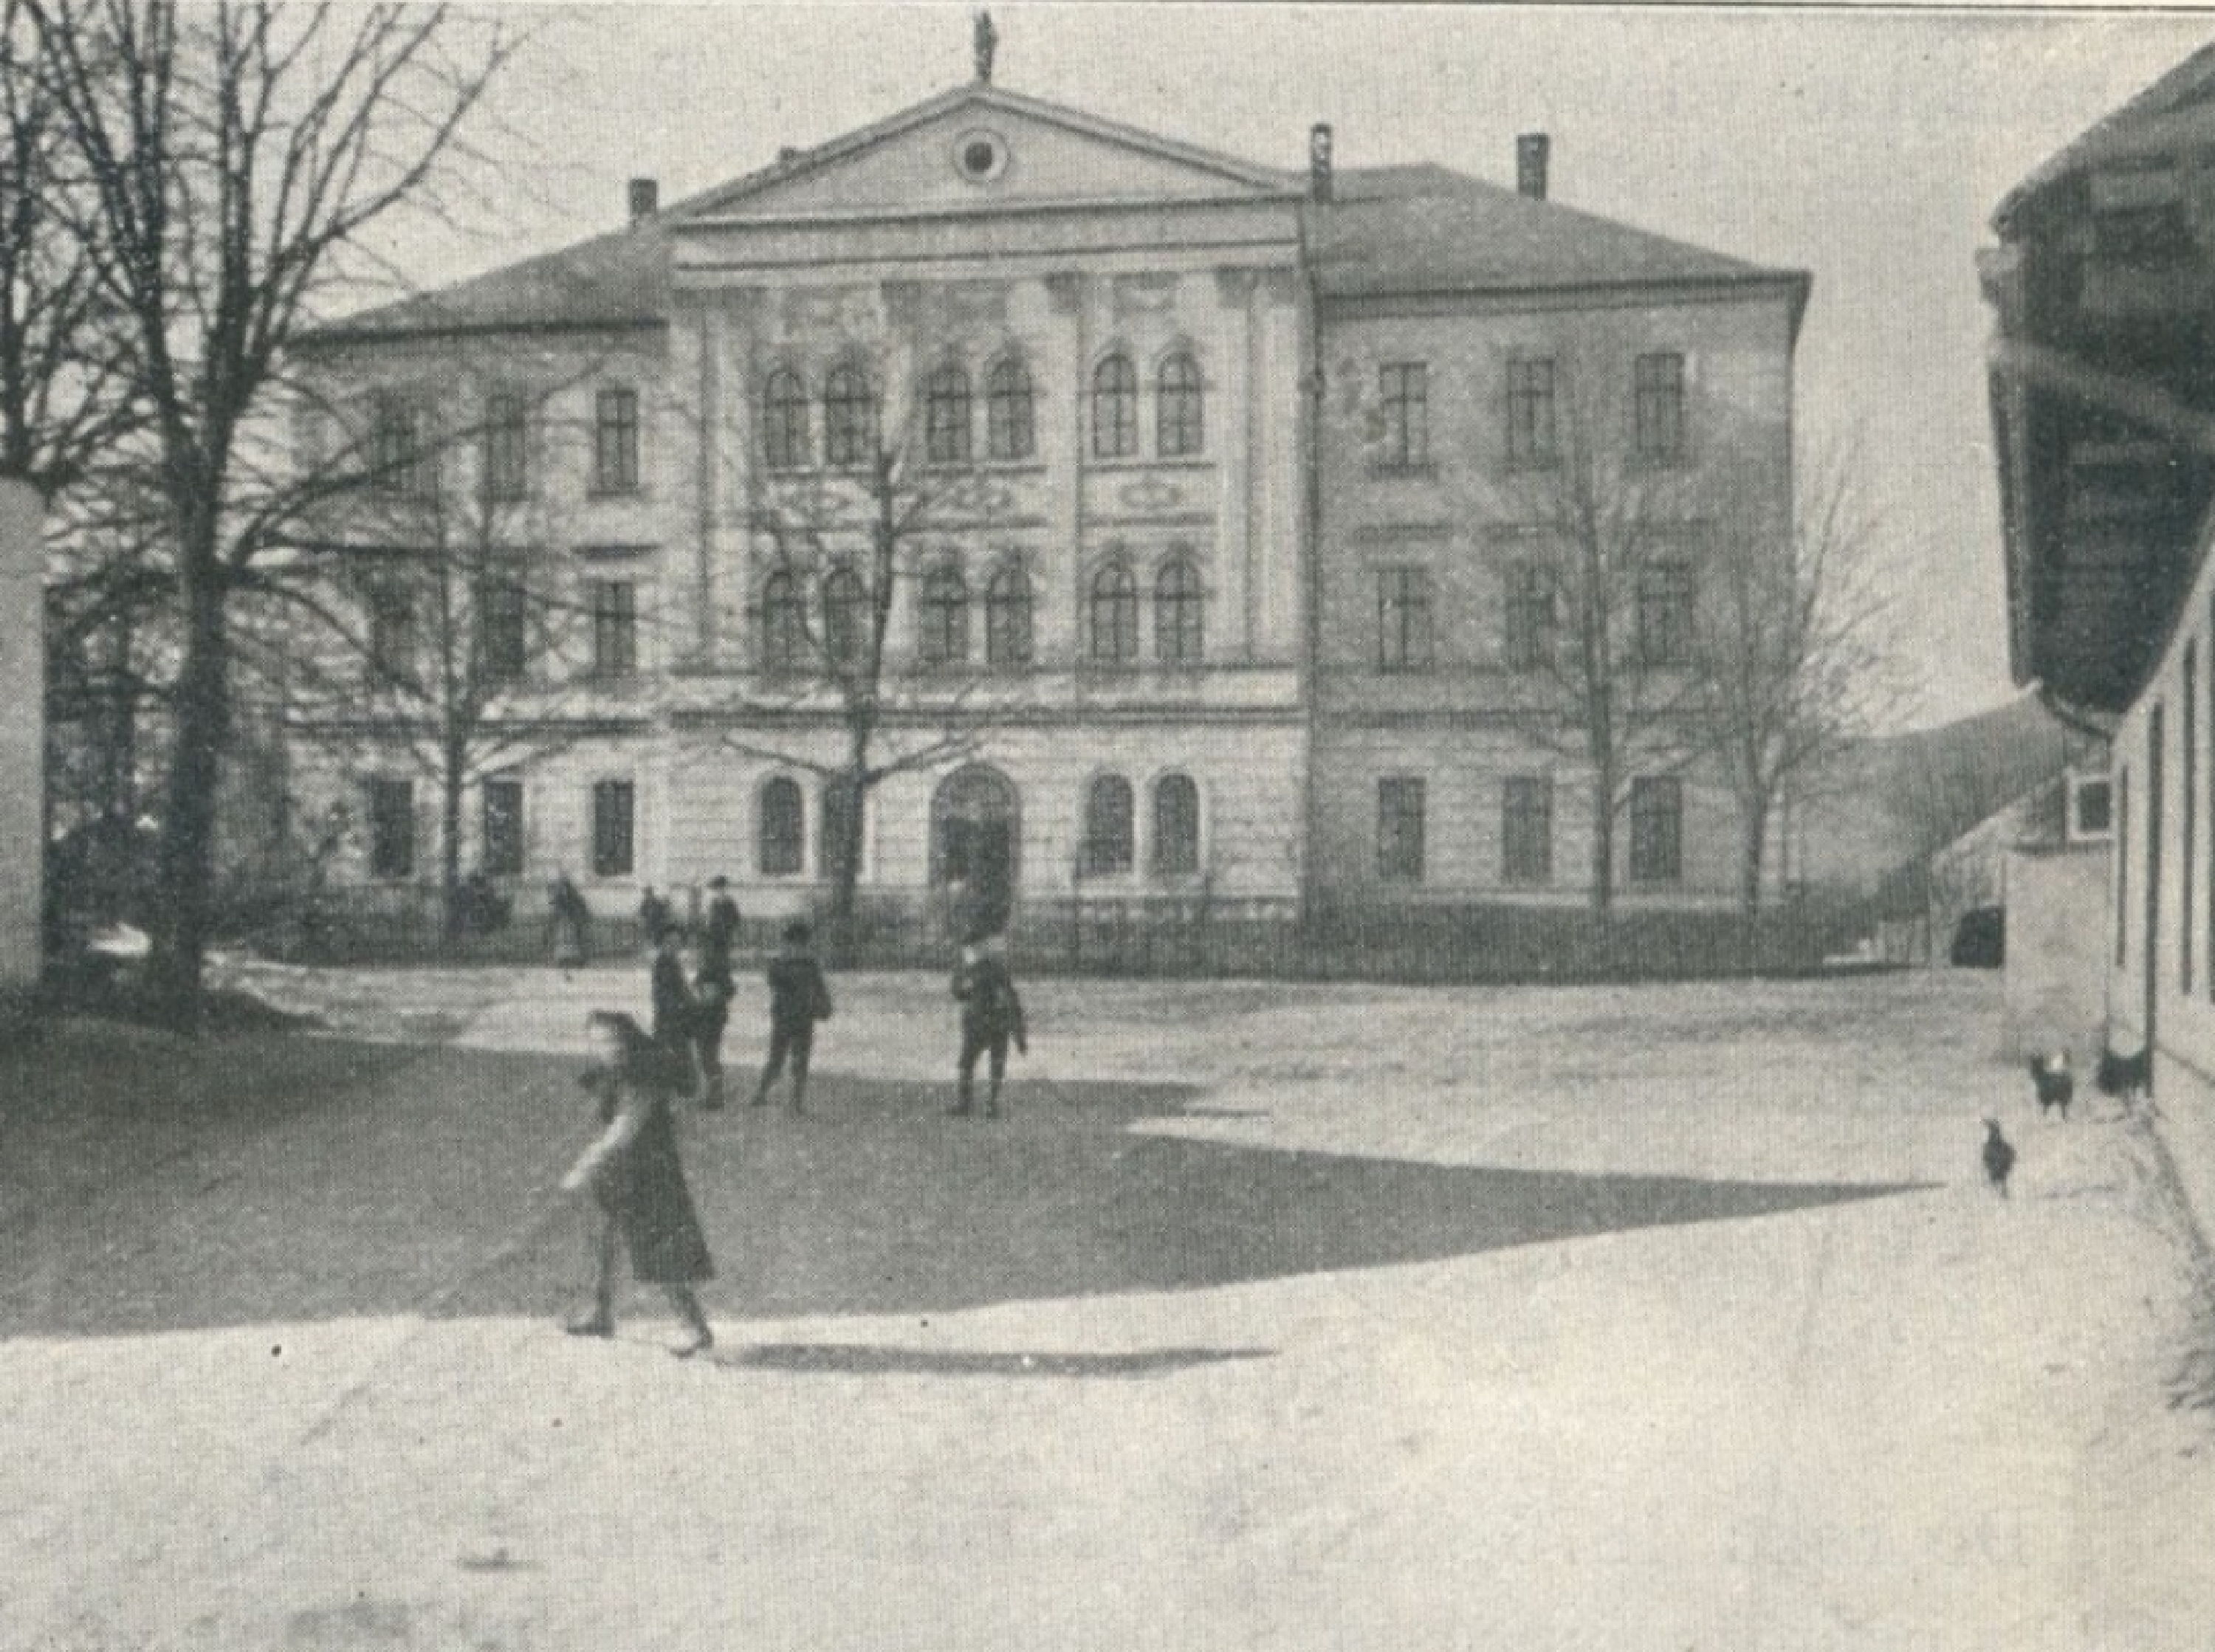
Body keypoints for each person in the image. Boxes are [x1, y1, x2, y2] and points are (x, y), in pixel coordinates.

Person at [560, 1011, 715, 1357]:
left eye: (613, 1040)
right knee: (602, 1240)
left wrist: (585, 1165)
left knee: (657, 1245)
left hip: (648, 1172)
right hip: (618, 1170)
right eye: (599, 1042)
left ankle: (695, 1327)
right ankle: (600, 1313)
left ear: (629, 1039)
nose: (607, 1048)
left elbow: (625, 1128)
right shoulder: (616, 1072)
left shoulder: (643, 1075)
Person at [752, 919, 832, 1113]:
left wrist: (824, 1005)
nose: (797, 947)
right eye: (795, 942)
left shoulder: (797, 963)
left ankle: (784, 1099)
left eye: (799, 943)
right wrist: (823, 1004)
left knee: (787, 1060)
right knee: (786, 1060)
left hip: (795, 1017)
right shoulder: (794, 964)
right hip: (792, 1017)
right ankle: (769, 1095)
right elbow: (818, 988)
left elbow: (819, 988)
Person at [951, 930, 1026, 1119]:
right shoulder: (994, 970)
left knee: (971, 1063)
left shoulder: (976, 969)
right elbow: (1012, 1002)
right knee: (990, 1063)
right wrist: (1020, 1036)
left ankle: (970, 1104)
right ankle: (988, 1104)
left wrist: (1019, 1034)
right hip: (993, 1023)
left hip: (983, 1022)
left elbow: (958, 992)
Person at [648, 925, 700, 1099]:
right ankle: (675, 1090)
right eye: (671, 942)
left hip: (675, 1017)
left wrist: (692, 1003)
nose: (676, 946)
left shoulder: (673, 962)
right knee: (669, 1054)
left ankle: (681, 1089)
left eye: (678, 942)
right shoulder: (663, 963)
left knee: (678, 1053)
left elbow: (682, 989)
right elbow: (662, 993)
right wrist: (681, 1006)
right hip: (668, 1018)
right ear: (663, 943)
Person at [692, 917, 738, 1111]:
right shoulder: (714, 963)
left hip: (711, 1015)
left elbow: (730, 989)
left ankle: (715, 1096)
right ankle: (714, 1094)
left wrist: (713, 994)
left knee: (707, 1055)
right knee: (708, 1054)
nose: (700, 949)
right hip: (711, 1015)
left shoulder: (715, 964)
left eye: (703, 945)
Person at [548, 872, 591, 967]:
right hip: (564, 923)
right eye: (561, 887)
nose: (563, 889)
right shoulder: (559, 899)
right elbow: (556, 911)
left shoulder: (575, 898)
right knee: (564, 938)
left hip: (571, 923)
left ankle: (574, 958)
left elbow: (580, 910)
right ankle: (563, 958)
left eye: (564, 886)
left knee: (571, 939)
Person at [637, 885, 672, 949]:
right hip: (649, 923)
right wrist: (643, 919)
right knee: (649, 936)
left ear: (652, 893)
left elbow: (662, 911)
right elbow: (642, 913)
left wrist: (662, 919)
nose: (648, 895)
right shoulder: (645, 903)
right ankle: (652, 946)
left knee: (657, 937)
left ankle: (657, 946)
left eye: (649, 893)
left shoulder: (656, 902)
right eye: (647, 893)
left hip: (657, 923)